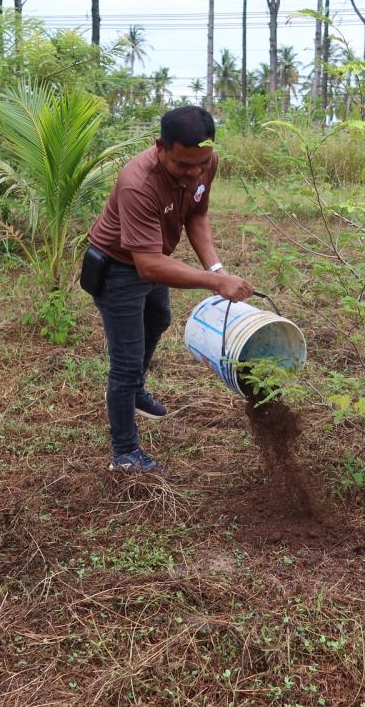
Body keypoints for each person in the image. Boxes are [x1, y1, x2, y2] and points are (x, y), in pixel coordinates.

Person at [85, 106, 252, 474]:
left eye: (200, 165)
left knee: (159, 318)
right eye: (182, 166)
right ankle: (125, 453)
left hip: (154, 256)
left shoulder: (206, 161)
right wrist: (214, 282)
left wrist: (216, 268)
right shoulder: (137, 182)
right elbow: (146, 265)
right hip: (118, 268)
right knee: (125, 364)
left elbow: (196, 214)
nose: (193, 174)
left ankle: (136, 392)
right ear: (159, 147)